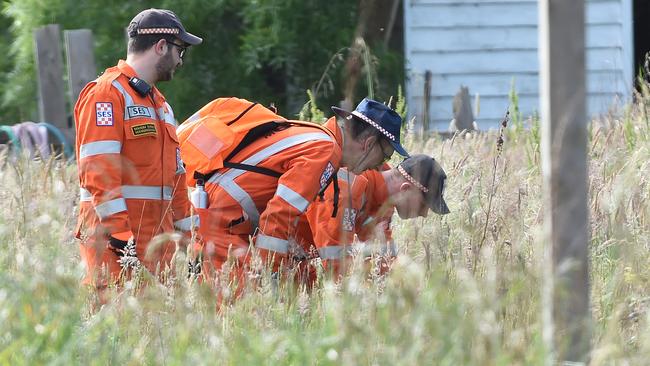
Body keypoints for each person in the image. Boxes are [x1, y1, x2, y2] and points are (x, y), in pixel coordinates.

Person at [179, 97, 409, 297]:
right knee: (240, 314)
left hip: (223, 220)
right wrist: (272, 277)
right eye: (384, 155)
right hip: (226, 224)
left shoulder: (318, 138)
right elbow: (278, 216)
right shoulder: (325, 151)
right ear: (368, 144)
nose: (381, 165)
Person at [73, 8, 202, 292]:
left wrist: (192, 241)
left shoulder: (161, 106)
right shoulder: (106, 95)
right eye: (180, 49)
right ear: (160, 46)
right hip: (114, 249)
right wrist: (121, 239)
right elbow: (99, 174)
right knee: (115, 332)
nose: (181, 59)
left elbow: (176, 182)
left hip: (156, 251)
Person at [304, 154, 450, 277]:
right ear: (405, 189)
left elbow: (382, 259)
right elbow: (335, 264)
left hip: (299, 269)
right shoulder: (347, 188)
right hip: (286, 263)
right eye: (424, 204)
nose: (424, 214)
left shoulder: (384, 202)